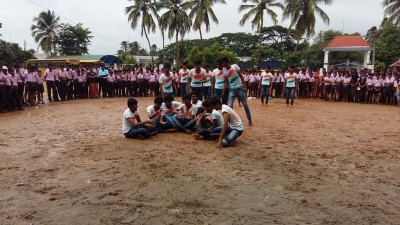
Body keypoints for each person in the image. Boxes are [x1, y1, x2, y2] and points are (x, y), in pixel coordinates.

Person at [221, 56, 252, 126]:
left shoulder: (235, 66)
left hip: (239, 88)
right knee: (229, 106)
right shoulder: (224, 70)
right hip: (231, 89)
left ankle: (249, 119)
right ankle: (230, 122)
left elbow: (241, 76)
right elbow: (226, 81)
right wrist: (224, 90)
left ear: (227, 62)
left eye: (223, 63)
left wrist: (244, 86)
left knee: (245, 105)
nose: (222, 65)